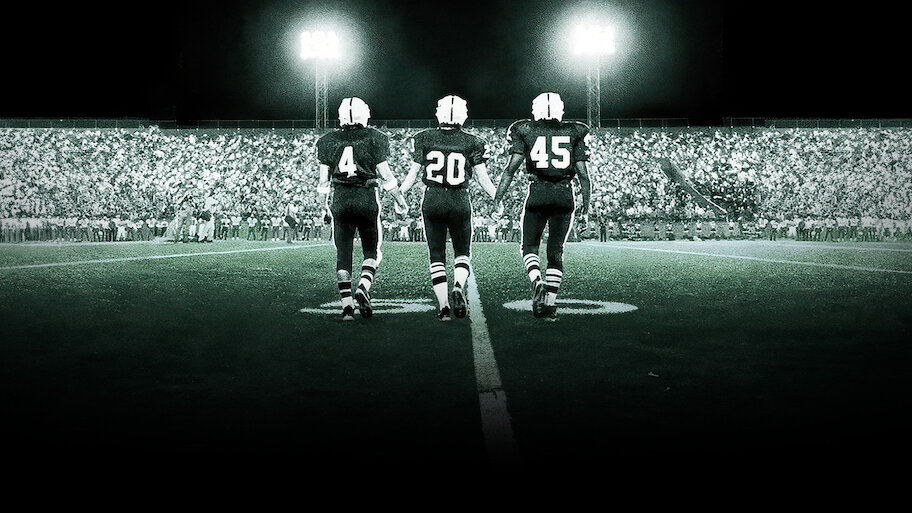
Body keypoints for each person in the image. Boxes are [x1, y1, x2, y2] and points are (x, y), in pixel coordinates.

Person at [492, 92, 591, 320]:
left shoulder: (525, 129)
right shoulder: (574, 131)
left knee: (529, 246)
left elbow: (510, 170)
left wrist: (498, 199)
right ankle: (550, 304)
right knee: (556, 251)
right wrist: (586, 210)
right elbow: (584, 176)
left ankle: (536, 279)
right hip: (565, 194)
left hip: (538, 192)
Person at [399, 95, 498, 321]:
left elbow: (413, 175)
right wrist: (497, 197)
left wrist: (399, 195)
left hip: (432, 198)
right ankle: (458, 285)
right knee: (462, 252)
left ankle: (443, 307)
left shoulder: (424, 138)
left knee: (436, 254)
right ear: (463, 115)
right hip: (459, 198)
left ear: (439, 113)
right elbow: (484, 179)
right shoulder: (473, 141)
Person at [316, 97, 409, 321]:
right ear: (363, 114)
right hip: (366, 197)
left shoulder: (327, 140)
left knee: (343, 254)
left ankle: (347, 306)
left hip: (340, 198)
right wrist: (399, 199)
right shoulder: (374, 138)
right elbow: (386, 177)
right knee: (372, 252)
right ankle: (363, 287)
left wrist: (323, 208)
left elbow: (322, 183)